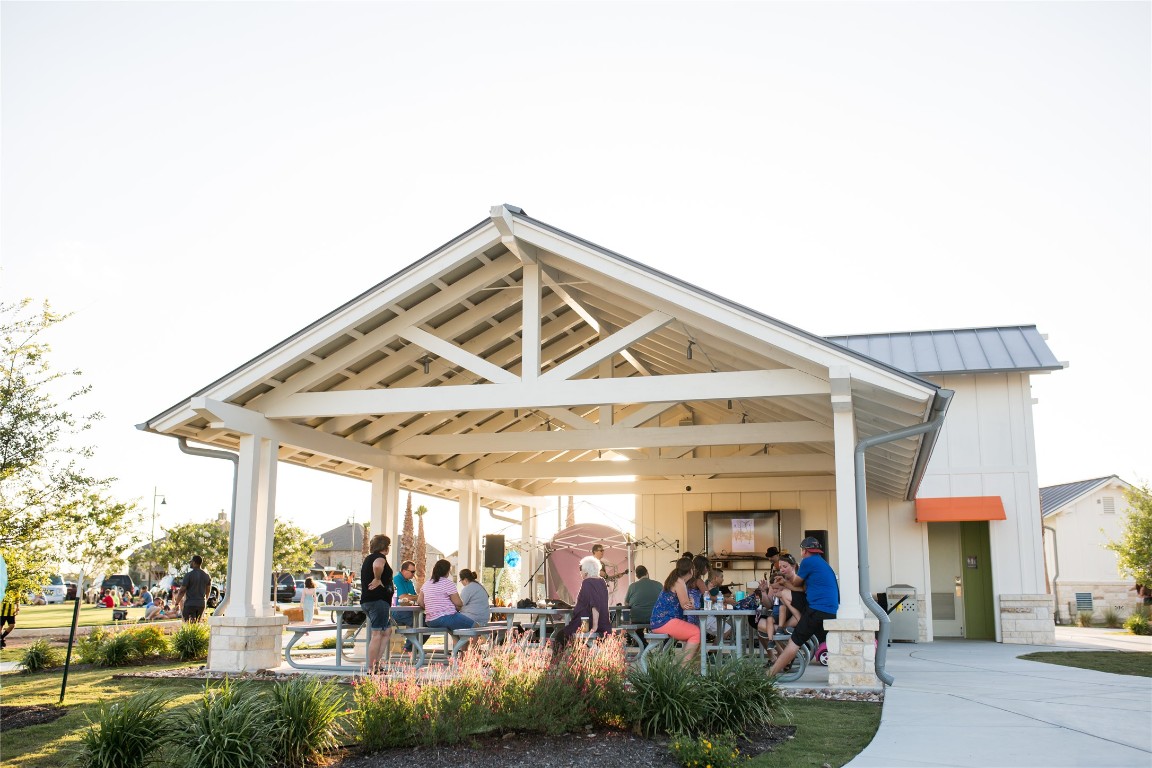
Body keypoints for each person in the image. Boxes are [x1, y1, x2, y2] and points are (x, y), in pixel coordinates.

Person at [769, 537, 839, 677]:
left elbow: (796, 582)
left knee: (793, 642)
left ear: (805, 550)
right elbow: (800, 588)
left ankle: (769, 675)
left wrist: (782, 582)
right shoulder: (821, 562)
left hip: (817, 609)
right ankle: (799, 619)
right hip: (830, 609)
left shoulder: (808, 561)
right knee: (797, 639)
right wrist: (784, 583)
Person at [648, 559, 701, 665]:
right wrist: (693, 601)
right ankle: (682, 669)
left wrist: (689, 602)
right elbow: (686, 606)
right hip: (665, 621)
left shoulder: (676, 580)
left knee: (694, 634)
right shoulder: (679, 582)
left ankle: (688, 666)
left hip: (660, 620)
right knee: (696, 632)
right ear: (691, 570)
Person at [361, 534, 396, 672]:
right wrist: (377, 578)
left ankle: (376, 664)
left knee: (387, 631)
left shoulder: (369, 558)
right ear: (385, 547)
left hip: (371, 601)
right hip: (377, 601)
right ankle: (371, 668)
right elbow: (378, 566)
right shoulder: (379, 558)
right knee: (377, 634)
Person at [419, 559, 475, 631]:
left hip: (430, 621)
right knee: (476, 627)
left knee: (457, 635)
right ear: (447, 571)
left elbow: (420, 602)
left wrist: (432, 608)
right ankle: (472, 642)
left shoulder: (426, 583)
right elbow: (458, 603)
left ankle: (461, 642)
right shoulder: (448, 583)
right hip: (447, 617)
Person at [392, 560, 418, 652]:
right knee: (420, 622)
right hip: (397, 612)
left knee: (427, 622)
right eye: (412, 571)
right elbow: (403, 597)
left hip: (409, 610)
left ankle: (412, 648)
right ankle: (410, 648)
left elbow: (413, 597)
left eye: (414, 571)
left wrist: (415, 597)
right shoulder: (396, 579)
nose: (413, 574)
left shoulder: (409, 582)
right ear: (403, 571)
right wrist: (417, 597)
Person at [178, 555, 212, 622]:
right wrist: (205, 600)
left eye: (191, 562)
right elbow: (208, 590)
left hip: (190, 604)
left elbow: (182, 590)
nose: (190, 563)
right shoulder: (207, 576)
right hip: (201, 604)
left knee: (187, 624)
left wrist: (177, 602)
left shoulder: (188, 575)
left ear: (194, 562)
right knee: (196, 623)